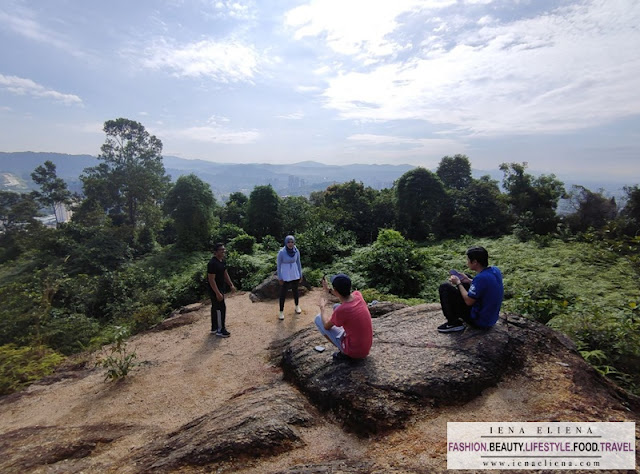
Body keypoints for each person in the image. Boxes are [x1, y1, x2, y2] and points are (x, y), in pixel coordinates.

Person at [437, 246, 503, 333]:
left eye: (468, 260)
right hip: (490, 317)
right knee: (466, 279)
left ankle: (453, 323)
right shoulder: (495, 270)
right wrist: (468, 281)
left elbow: (469, 301)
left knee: (445, 287)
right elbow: (487, 286)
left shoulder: (480, 278)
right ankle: (466, 282)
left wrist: (458, 283)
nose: (467, 262)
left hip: (480, 321)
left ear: (475, 262)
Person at [314, 274, 373, 360]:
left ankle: (344, 352)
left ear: (336, 290)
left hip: (354, 352)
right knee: (336, 306)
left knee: (318, 319)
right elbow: (343, 297)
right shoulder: (358, 295)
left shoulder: (342, 310)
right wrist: (328, 290)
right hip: (365, 348)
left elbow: (326, 326)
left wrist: (322, 308)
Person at [207, 242, 236, 337]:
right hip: (215, 289)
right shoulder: (212, 263)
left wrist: (231, 284)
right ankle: (221, 330)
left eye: (224, 249)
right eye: (221, 250)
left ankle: (214, 328)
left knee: (215, 308)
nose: (224, 251)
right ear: (216, 252)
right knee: (220, 308)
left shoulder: (222, 261)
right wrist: (217, 293)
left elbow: (225, 273)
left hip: (221, 288)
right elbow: (211, 279)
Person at [276, 235, 303, 320]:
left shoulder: (296, 250)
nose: (290, 244)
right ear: (286, 242)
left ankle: (297, 306)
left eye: (292, 242)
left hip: (294, 273)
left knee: (295, 290)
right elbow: (279, 265)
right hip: (285, 273)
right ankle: (281, 311)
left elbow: (298, 263)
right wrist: (280, 277)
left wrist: (300, 274)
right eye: (288, 242)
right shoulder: (282, 252)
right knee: (283, 293)